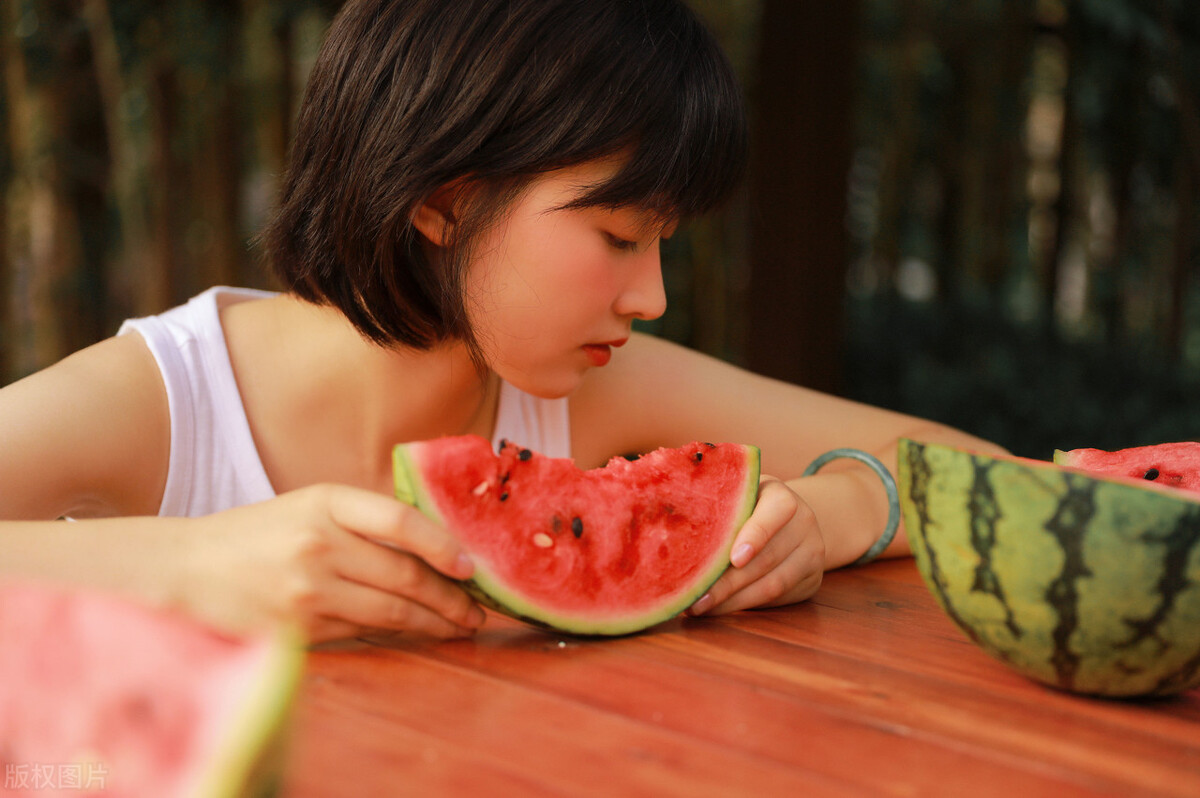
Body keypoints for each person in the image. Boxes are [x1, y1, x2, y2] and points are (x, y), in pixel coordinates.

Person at [0, 0, 1003, 644]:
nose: (652, 297)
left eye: (666, 244)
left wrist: (837, 514)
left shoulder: (595, 388)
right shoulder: (165, 402)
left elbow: (982, 478)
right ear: (441, 199)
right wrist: (191, 565)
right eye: (617, 236)